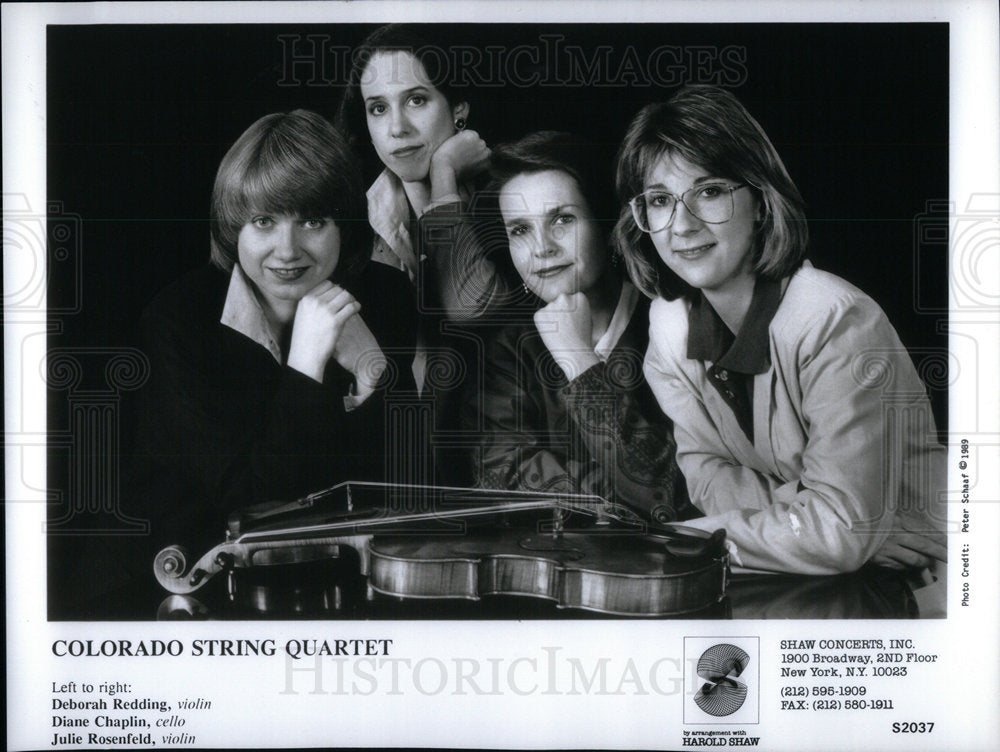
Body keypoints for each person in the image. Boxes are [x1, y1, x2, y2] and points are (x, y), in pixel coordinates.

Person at [615, 85, 947, 574]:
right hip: (813, 571)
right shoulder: (669, 328)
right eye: (660, 200)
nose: (681, 225)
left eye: (709, 191)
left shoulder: (834, 319)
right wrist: (826, 523)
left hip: (932, 573)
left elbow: (837, 533)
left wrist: (837, 528)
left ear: (762, 200)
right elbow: (706, 476)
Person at [132, 109, 417, 556]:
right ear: (233, 229)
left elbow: (415, 484)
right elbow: (248, 504)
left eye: (312, 221)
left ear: (344, 226)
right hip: (211, 570)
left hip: (351, 568)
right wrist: (305, 364)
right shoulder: (177, 322)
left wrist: (372, 370)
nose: (287, 251)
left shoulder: (386, 295)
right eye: (264, 221)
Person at [474, 131, 692, 523]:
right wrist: (623, 499)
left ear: (603, 220)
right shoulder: (509, 345)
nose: (542, 248)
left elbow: (670, 494)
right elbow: (499, 478)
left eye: (562, 219)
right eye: (520, 230)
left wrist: (578, 359)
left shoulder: (669, 321)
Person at [338, 24, 520, 484]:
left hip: (516, 460)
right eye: (378, 108)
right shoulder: (356, 223)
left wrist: (443, 174)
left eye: (417, 100)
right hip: (408, 474)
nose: (397, 127)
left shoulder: (514, 195)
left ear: (458, 109)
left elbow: (468, 305)